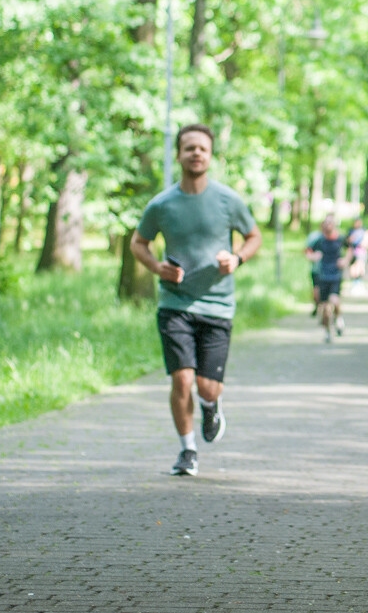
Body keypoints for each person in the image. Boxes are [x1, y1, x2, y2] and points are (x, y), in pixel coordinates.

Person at [129, 123, 262, 477]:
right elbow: (137, 243)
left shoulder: (227, 200)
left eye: (202, 148)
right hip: (175, 304)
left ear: (210, 155)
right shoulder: (161, 204)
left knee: (206, 385)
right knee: (181, 380)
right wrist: (158, 268)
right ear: (179, 155)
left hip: (218, 304)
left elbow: (253, 236)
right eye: (189, 148)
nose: (196, 153)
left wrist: (236, 258)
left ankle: (211, 404)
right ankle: (187, 450)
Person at [305, 213, 347, 340]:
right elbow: (308, 251)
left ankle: (339, 318)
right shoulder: (319, 240)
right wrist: (313, 257)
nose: (328, 225)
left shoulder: (340, 238)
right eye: (326, 223)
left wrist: (345, 260)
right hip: (323, 275)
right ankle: (328, 331)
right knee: (325, 307)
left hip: (335, 275)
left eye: (330, 223)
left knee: (334, 300)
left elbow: (351, 249)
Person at [346, 216, 368, 293]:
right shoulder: (351, 231)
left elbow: (366, 242)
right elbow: (348, 241)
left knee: (360, 267)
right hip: (352, 252)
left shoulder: (364, 231)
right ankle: (355, 283)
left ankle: (359, 283)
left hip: (361, 252)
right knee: (353, 269)